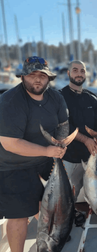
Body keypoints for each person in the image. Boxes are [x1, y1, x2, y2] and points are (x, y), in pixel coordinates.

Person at [0, 56, 69, 252]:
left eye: (42, 75)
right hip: (15, 166)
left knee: (48, 208)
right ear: (22, 76)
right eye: (32, 75)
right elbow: (10, 143)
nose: (37, 79)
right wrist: (48, 150)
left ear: (49, 78)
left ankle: (50, 238)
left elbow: (63, 125)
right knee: (19, 216)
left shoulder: (56, 97)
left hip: (46, 162)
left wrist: (61, 144)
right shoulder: (9, 101)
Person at [60, 60, 97, 224]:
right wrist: (86, 139)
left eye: (82, 71)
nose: (79, 73)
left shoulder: (92, 98)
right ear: (68, 73)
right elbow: (63, 126)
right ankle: (62, 222)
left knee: (82, 188)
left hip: (89, 156)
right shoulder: (59, 97)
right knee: (68, 191)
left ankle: (71, 213)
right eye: (75, 70)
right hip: (68, 156)